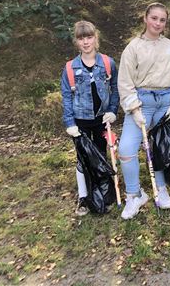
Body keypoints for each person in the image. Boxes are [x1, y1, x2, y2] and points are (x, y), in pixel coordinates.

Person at [117, 2, 170, 220]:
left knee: (159, 147)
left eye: (162, 20)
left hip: (166, 102)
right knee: (126, 148)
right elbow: (125, 81)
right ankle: (134, 195)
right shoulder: (133, 48)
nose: (157, 23)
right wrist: (133, 107)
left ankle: (161, 189)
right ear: (145, 19)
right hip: (142, 102)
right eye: (154, 18)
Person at [60, 20, 119, 216]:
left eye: (89, 37)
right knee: (83, 158)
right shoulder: (70, 68)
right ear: (76, 41)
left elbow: (116, 89)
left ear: (96, 38)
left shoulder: (108, 63)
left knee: (101, 155)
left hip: (102, 120)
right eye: (81, 38)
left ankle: (105, 193)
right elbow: (67, 96)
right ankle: (84, 197)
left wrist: (112, 110)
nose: (86, 42)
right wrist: (70, 123)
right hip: (81, 122)